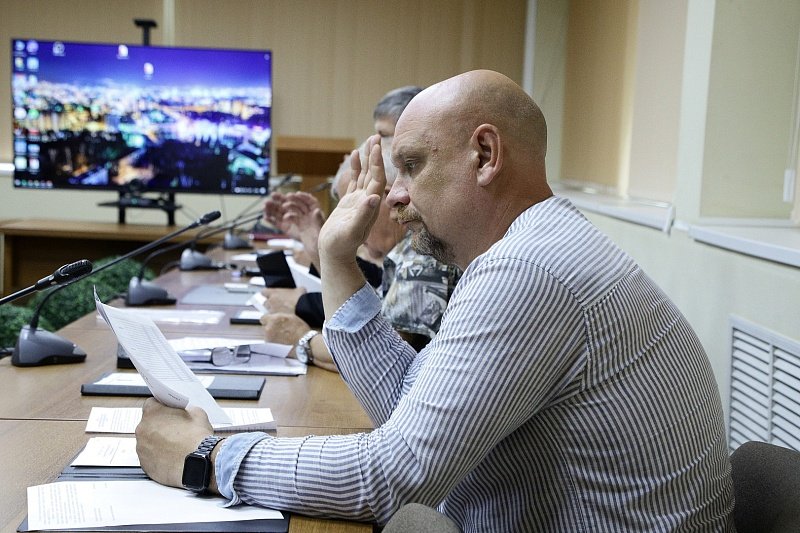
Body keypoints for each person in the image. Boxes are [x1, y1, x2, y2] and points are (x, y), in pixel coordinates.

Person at [136, 70, 735, 531]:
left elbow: (394, 478)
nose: (394, 196)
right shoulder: (522, 251)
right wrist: (338, 260)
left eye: (412, 166)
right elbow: (405, 405)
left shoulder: (528, 270)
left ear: (485, 156)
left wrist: (209, 457)